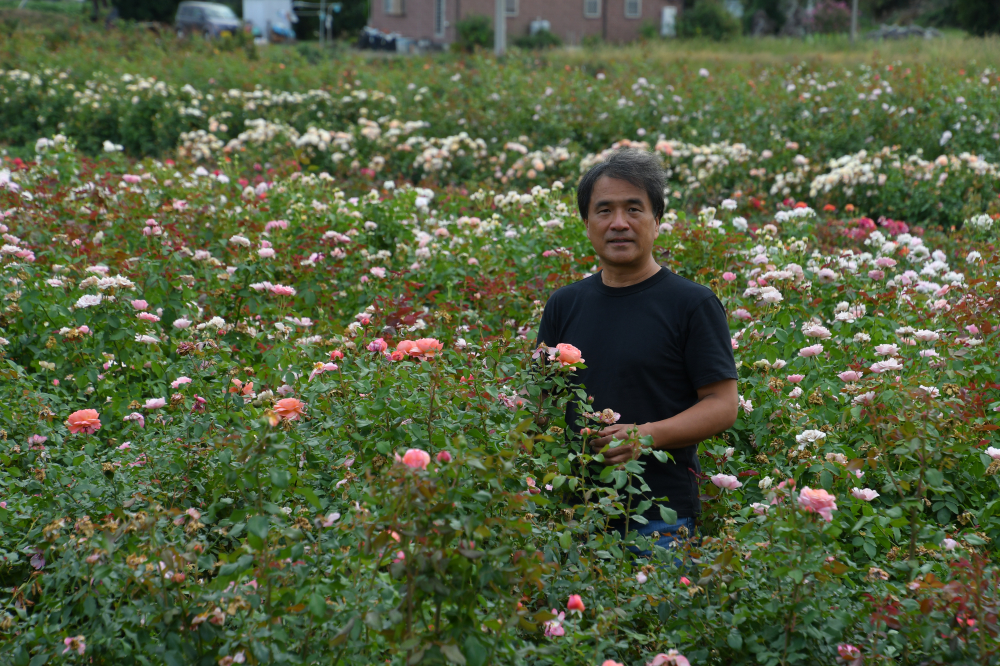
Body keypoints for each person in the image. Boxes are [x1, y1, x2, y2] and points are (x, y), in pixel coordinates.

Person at [536, 148, 738, 555]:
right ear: (587, 223)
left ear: (657, 221)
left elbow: (722, 404)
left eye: (634, 209)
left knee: (659, 619)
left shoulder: (691, 304)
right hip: (576, 515)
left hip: (661, 518)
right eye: (604, 210)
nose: (619, 223)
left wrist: (646, 436)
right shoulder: (565, 304)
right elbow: (541, 402)